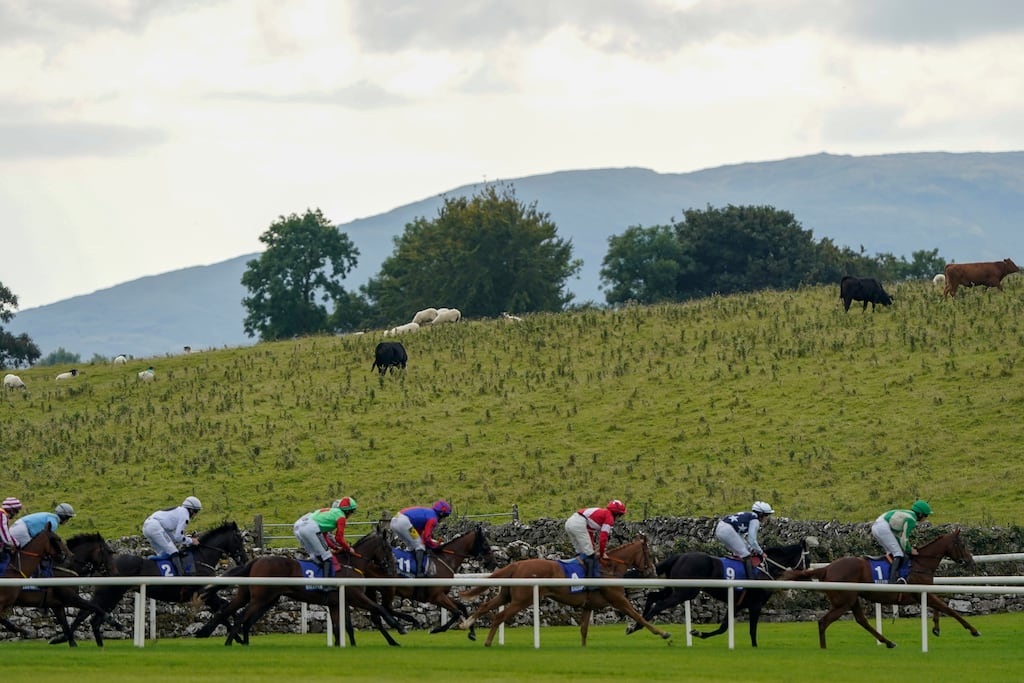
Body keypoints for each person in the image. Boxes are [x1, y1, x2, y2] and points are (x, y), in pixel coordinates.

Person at [293, 496, 358, 579]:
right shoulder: (341, 517)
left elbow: (325, 537)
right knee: (327, 556)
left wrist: (335, 547)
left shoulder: (330, 513)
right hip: (310, 528)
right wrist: (348, 548)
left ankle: (315, 577)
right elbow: (339, 537)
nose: (351, 514)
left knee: (314, 556)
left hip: (299, 527)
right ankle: (326, 584)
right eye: (352, 512)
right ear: (348, 511)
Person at [564, 499, 627, 580]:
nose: (619, 518)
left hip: (570, 522)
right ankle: (590, 582)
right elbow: (603, 537)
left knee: (582, 554)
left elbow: (589, 534)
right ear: (617, 514)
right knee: (591, 556)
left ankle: (577, 574)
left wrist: (593, 549)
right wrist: (601, 553)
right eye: (620, 515)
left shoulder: (603, 514)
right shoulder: (609, 517)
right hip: (578, 523)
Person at [872, 499, 932, 583]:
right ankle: (893, 580)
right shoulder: (911, 520)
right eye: (926, 516)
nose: (925, 519)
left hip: (877, 526)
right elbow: (904, 539)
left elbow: (899, 538)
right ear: (920, 514)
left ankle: (889, 575)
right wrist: (910, 550)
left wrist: (907, 547)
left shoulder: (907, 514)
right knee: (898, 553)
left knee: (891, 552)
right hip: (883, 527)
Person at [142, 496, 202, 576]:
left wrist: (187, 538)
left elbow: (173, 537)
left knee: (163, 554)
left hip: (147, 527)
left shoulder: (179, 511)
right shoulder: (185, 515)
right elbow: (178, 537)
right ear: (191, 510)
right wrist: (192, 541)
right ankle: (181, 577)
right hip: (155, 527)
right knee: (174, 552)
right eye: (196, 511)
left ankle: (155, 569)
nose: (195, 515)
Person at [715, 501, 774, 581]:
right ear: (761, 514)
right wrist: (761, 552)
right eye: (766, 515)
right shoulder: (755, 520)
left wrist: (751, 549)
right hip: (727, 529)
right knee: (746, 555)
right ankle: (751, 581)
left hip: (720, 528)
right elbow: (752, 540)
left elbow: (742, 539)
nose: (767, 518)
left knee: (740, 552)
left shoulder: (748, 516)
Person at [390, 500, 452, 577]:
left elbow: (419, 534)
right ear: (441, 514)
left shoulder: (428, 513)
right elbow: (427, 537)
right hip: (403, 522)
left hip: (395, 521)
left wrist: (430, 543)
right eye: (445, 516)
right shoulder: (433, 518)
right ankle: (419, 572)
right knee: (420, 545)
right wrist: (435, 546)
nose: (443, 520)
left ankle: (411, 568)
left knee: (412, 546)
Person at [10, 503, 75, 548]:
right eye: (68, 518)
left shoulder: (51, 517)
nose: (67, 520)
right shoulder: (54, 522)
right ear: (64, 517)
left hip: (19, 528)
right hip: (22, 531)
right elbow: (48, 540)